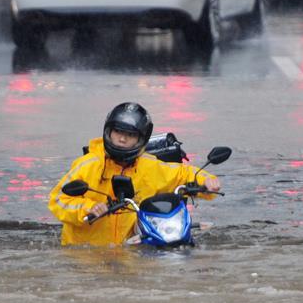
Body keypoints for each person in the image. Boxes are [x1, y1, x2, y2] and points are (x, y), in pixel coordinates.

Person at [48, 102, 222, 246]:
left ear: (141, 139)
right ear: (108, 132)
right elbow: (58, 199)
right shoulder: (88, 165)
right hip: (83, 253)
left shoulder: (150, 166)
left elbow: (183, 173)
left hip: (131, 249)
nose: (122, 139)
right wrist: (89, 208)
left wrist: (206, 181)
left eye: (130, 135)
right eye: (118, 132)